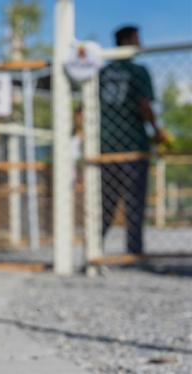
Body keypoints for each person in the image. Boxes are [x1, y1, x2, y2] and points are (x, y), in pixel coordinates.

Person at [99, 25, 169, 254]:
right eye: (137, 39)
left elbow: (82, 111)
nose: (140, 44)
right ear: (127, 41)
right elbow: (144, 105)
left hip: (105, 145)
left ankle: (95, 247)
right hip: (133, 145)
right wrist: (157, 131)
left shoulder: (101, 72)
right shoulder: (138, 71)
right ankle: (134, 251)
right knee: (134, 201)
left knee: (106, 202)